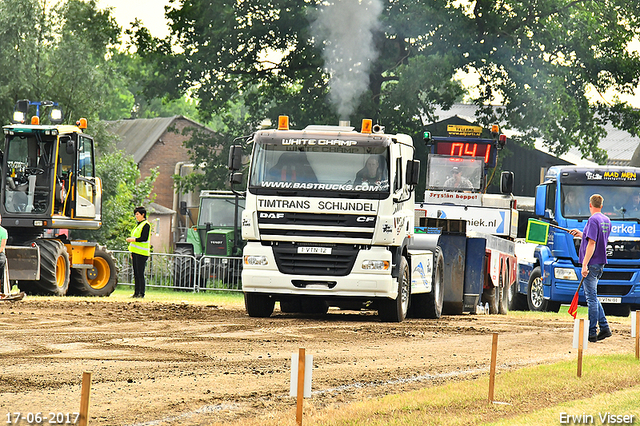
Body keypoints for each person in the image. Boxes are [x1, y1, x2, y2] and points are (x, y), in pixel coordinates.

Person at [569, 194, 612, 343]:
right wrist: (582, 234)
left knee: (591, 299)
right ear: (601, 205)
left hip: (592, 264)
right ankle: (605, 327)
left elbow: (592, 244)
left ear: (590, 205)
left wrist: (585, 264)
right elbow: (597, 239)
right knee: (593, 297)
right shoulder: (606, 220)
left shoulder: (593, 220)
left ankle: (592, 332)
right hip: (600, 263)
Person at [126, 206, 151, 298]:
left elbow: (144, 238)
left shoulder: (146, 225)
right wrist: (132, 252)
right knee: (136, 273)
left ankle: (141, 292)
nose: (136, 216)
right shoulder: (138, 225)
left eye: (137, 214)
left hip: (142, 253)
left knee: (140, 273)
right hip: (136, 252)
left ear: (142, 214)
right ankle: (136, 293)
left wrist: (133, 239)